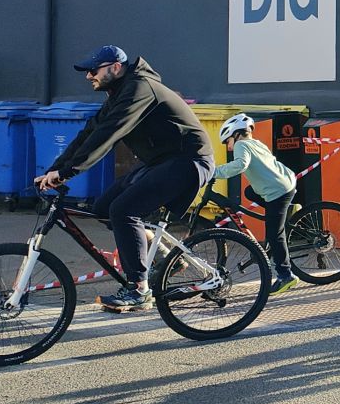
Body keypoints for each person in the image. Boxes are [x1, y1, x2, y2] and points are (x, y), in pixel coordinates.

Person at [34, 46, 214, 313]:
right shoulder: (118, 95)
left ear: (115, 67)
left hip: (188, 161)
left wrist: (69, 172)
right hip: (161, 162)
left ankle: (138, 290)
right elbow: (89, 133)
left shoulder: (140, 88)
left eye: (93, 70)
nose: (88, 76)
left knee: (124, 210)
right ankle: (168, 258)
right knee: (103, 208)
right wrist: (55, 170)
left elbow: (109, 133)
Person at [211, 113, 299, 290]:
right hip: (285, 182)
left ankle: (286, 275)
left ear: (235, 135)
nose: (228, 147)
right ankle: (284, 210)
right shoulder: (256, 143)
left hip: (277, 192)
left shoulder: (241, 145)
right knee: (249, 192)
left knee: (274, 235)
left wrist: (213, 172)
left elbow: (240, 165)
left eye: (227, 142)